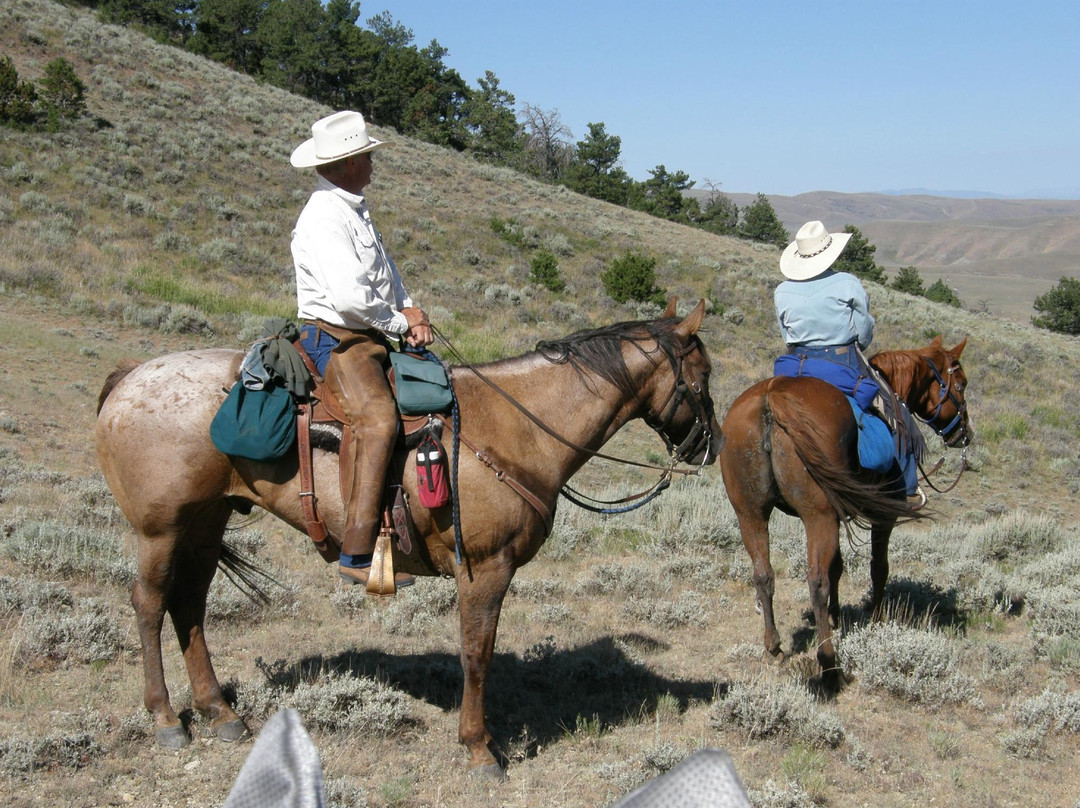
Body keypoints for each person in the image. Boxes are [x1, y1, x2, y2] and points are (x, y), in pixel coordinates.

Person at [290, 110, 433, 589]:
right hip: (337, 338)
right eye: (366, 154)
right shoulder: (325, 216)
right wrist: (396, 322)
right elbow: (351, 300)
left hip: (363, 333)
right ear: (348, 161)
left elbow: (385, 273)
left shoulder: (353, 206)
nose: (372, 160)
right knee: (378, 420)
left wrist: (410, 310)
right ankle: (356, 552)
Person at [774, 220, 873, 368]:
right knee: (870, 389)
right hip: (842, 356)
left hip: (797, 359)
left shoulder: (781, 290)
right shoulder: (848, 282)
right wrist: (862, 345)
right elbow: (864, 325)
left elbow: (786, 335)